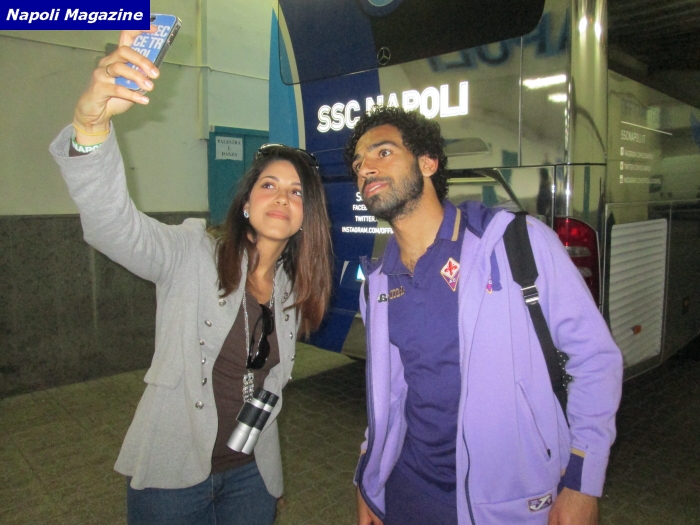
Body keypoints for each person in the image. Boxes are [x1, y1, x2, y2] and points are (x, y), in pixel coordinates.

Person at [49, 28, 333, 525]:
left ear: (306, 217)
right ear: (246, 204)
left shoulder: (292, 289)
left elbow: (267, 388)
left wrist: (270, 482)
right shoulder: (193, 252)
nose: (282, 198)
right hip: (173, 475)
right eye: (269, 185)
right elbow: (113, 225)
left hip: (251, 474)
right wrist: (90, 125)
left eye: (296, 192)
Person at [344, 106, 623, 525]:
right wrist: (370, 476)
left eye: (382, 152)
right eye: (358, 164)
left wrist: (583, 483)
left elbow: (595, 359)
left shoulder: (516, 242)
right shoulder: (379, 283)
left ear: (427, 162)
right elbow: (388, 396)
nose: (365, 168)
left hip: (509, 501)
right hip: (409, 493)